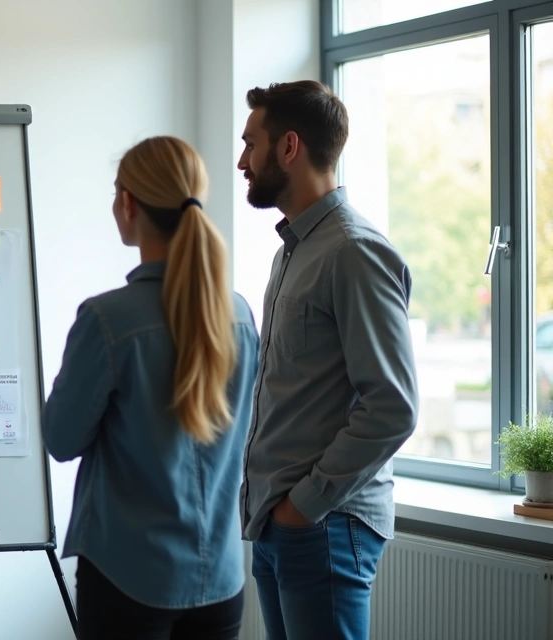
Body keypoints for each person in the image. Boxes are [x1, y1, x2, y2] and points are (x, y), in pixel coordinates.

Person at [42, 136, 261, 640]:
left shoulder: (106, 320)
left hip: (128, 579)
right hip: (222, 580)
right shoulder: (240, 315)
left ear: (128, 203)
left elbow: (61, 439)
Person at [237, 80, 418, 639]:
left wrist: (304, 506)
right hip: (281, 523)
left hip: (322, 523)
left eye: (250, 143)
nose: (242, 161)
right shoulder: (293, 250)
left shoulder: (354, 251)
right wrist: (279, 513)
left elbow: (392, 407)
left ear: (289, 148)